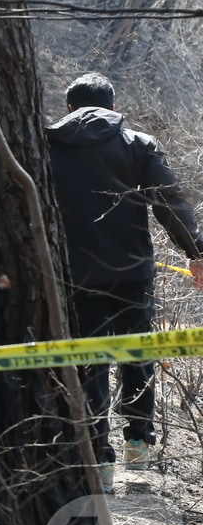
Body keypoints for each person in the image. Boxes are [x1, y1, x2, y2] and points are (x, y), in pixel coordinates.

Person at [46, 72, 203, 490]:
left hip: (75, 274)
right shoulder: (138, 145)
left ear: (69, 109)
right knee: (137, 355)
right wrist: (197, 253)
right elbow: (171, 204)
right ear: (114, 107)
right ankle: (138, 442)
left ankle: (99, 460)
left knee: (90, 362)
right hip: (132, 272)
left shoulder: (44, 146)